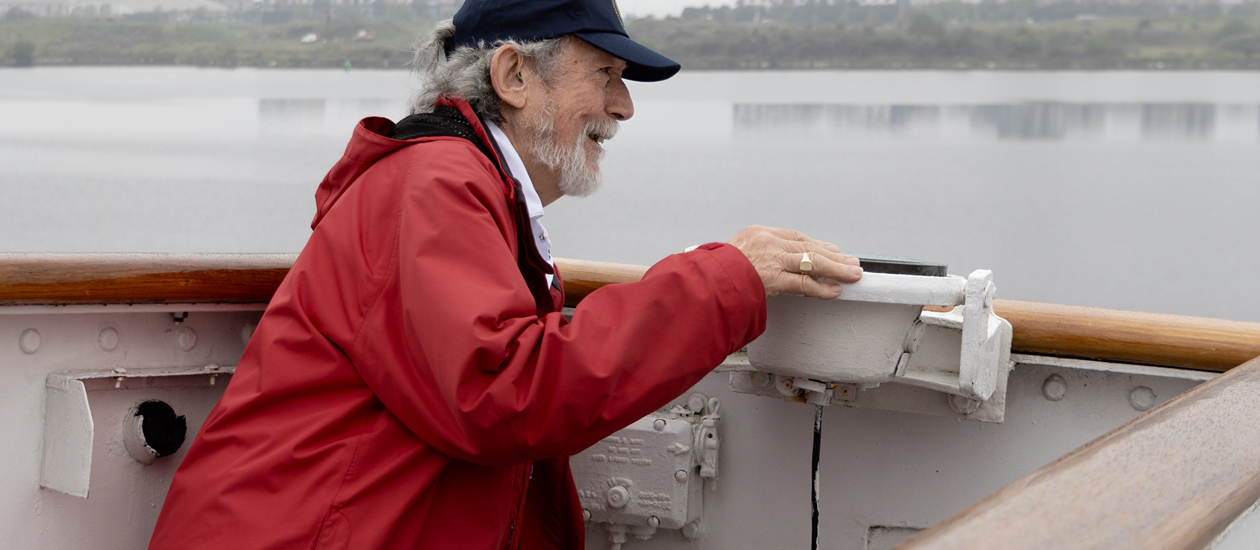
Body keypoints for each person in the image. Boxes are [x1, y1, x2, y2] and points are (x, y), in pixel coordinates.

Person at [147, 1, 863, 548]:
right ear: (514, 75)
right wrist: (727, 280)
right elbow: (502, 390)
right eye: (606, 74)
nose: (625, 106)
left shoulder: (466, 186)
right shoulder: (431, 184)